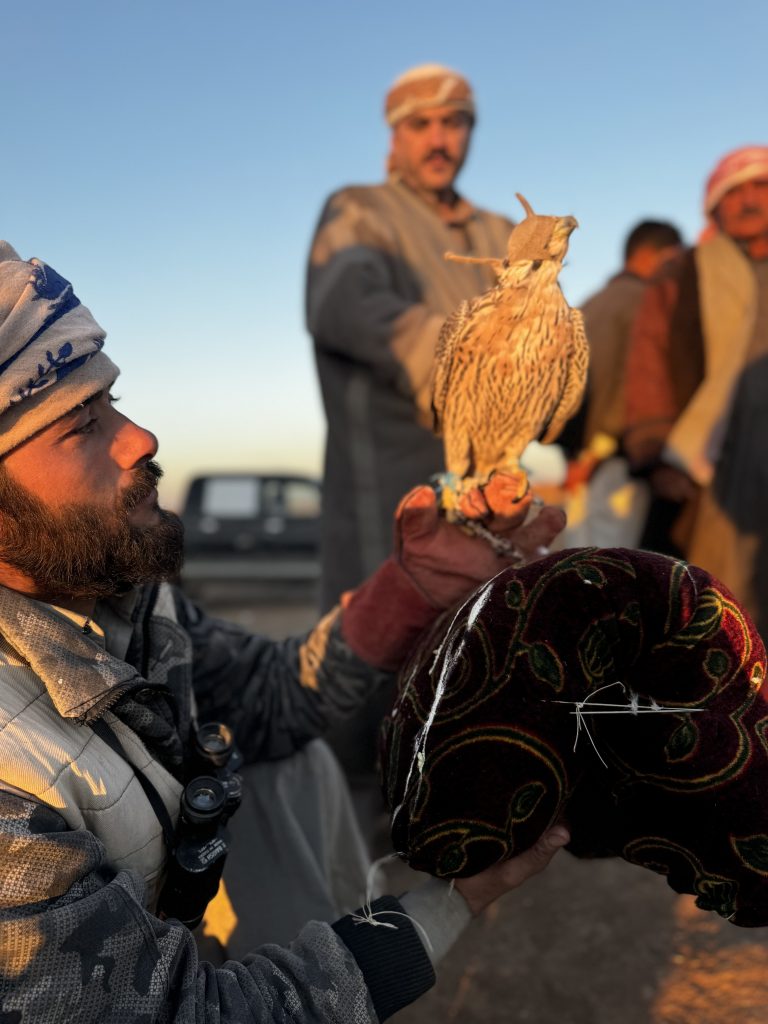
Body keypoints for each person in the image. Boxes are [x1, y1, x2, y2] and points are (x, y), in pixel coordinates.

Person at [0, 241, 568, 1021]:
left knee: (285, 761)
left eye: (114, 401)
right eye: (80, 425)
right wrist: (449, 903)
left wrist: (408, 590)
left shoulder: (113, 596)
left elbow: (270, 700)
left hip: (182, 938)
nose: (140, 439)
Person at [307, 63, 515, 614]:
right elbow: (344, 304)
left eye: (454, 123)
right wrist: (477, 361)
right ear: (395, 136)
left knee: (484, 658)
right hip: (389, 499)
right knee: (383, 662)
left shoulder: (498, 233)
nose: (439, 139)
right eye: (421, 124)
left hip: (488, 497)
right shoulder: (358, 210)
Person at [623, 145, 768, 637]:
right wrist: (656, 453)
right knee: (710, 602)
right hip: (708, 468)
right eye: (735, 191)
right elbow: (649, 361)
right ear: (715, 206)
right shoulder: (685, 271)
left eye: (761, 187)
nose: (749, 200)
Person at [560, 220, 682, 547]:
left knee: (577, 564)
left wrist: (574, 459)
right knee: (615, 575)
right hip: (614, 463)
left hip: (578, 465)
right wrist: (596, 454)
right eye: (674, 259)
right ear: (655, 256)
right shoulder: (646, 303)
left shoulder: (589, 304)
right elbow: (628, 387)